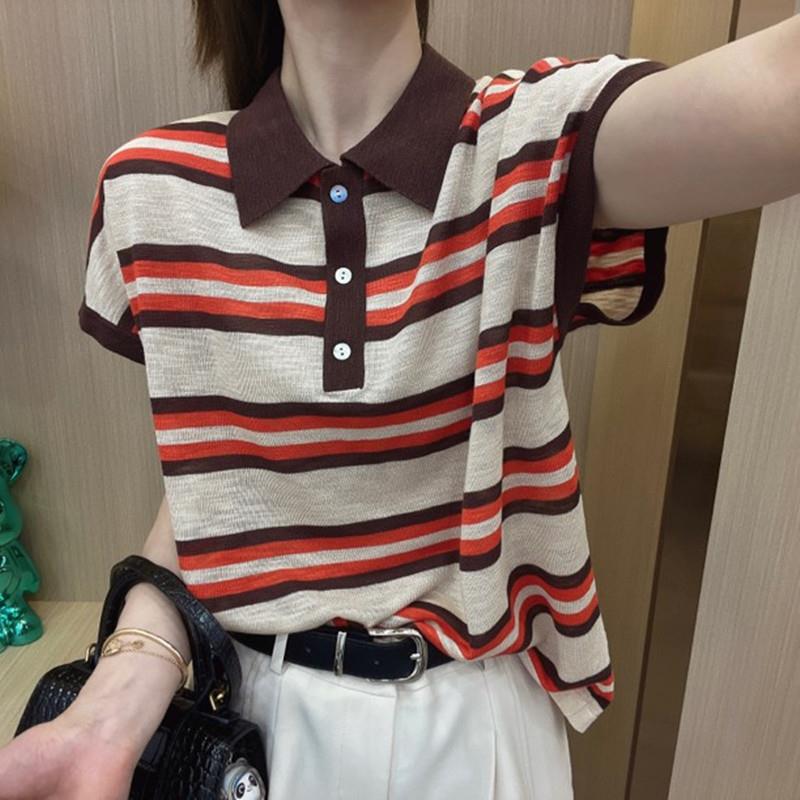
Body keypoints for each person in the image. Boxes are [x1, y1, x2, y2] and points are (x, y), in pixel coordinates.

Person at [2, 1, 799, 798]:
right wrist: (125, 680)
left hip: (479, 725)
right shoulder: (155, 187)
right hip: (252, 725)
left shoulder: (538, 139)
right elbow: (215, 485)